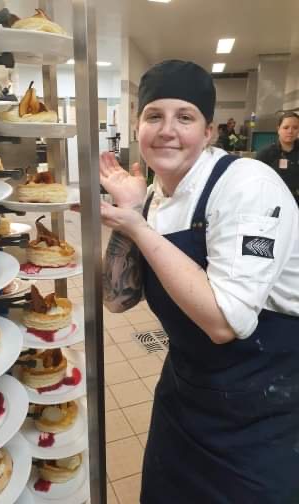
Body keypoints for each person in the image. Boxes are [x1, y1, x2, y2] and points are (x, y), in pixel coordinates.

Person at [100, 59, 299, 503]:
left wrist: (138, 229)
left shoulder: (248, 186)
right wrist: (131, 213)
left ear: (209, 132)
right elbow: (116, 299)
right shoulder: (153, 196)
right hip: (186, 391)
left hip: (262, 405)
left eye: (185, 117)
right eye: (154, 116)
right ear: (138, 129)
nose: (167, 129)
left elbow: (225, 323)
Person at [256, 112, 299, 205]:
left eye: (295, 128)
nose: (290, 131)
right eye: (286, 127)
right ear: (278, 129)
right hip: (274, 203)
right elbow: (257, 184)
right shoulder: (265, 155)